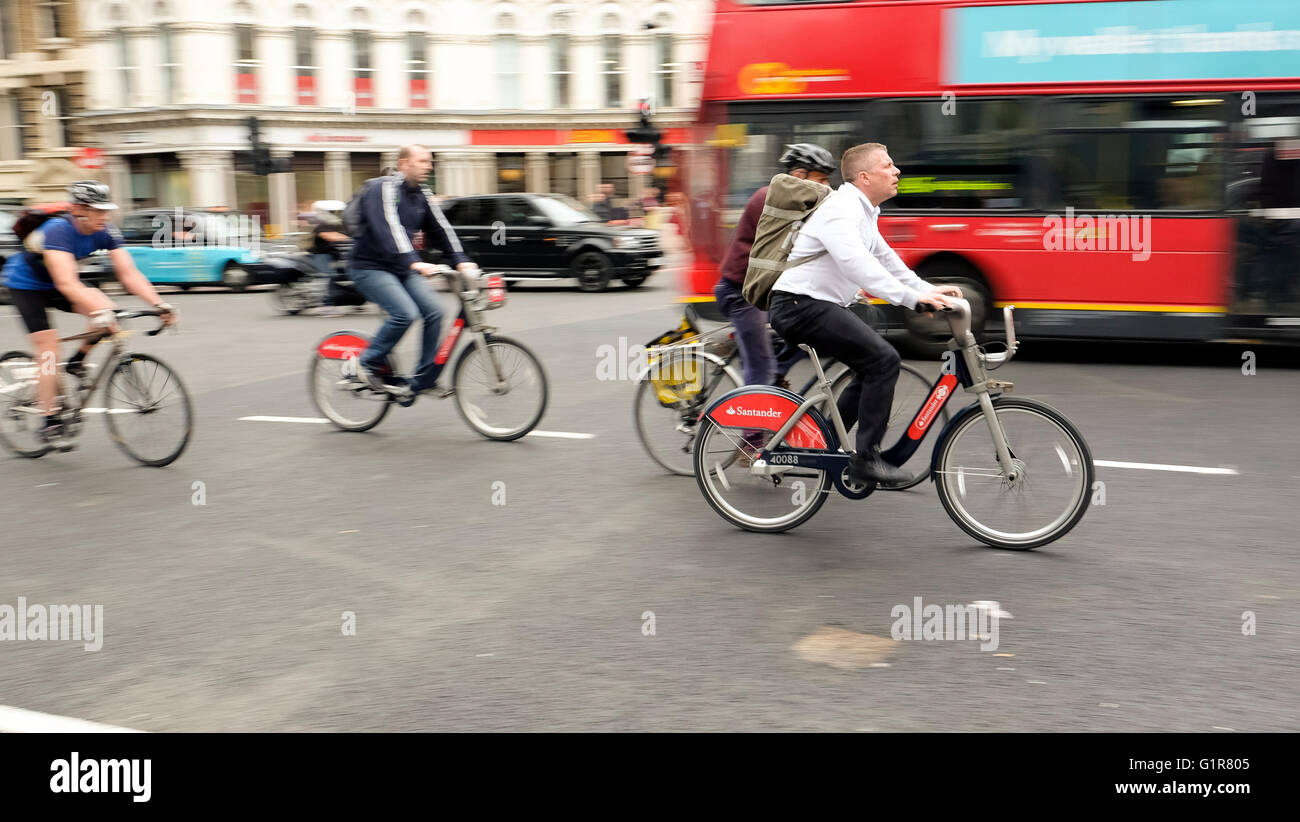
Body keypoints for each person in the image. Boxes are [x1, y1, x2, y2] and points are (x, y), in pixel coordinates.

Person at [767, 142, 963, 485]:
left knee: (871, 362)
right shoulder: (840, 209)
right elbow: (859, 267)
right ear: (864, 176)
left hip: (818, 304)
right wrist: (912, 300)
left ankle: (822, 438)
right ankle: (865, 459)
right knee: (882, 360)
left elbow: (887, 262)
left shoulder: (864, 211)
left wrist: (926, 290)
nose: (897, 171)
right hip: (799, 305)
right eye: (888, 165)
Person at [1, 181, 176, 445]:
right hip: (27, 285)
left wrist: (159, 304)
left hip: (59, 282)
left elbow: (128, 273)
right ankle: (49, 420)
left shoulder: (106, 230)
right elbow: (66, 284)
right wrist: (98, 311)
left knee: (110, 315)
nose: (105, 216)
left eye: (106, 210)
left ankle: (77, 361)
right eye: (98, 210)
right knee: (48, 350)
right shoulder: (59, 230)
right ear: (80, 210)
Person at [345, 144, 477, 403]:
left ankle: (424, 378)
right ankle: (364, 364)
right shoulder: (383, 188)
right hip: (369, 266)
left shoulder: (423, 194)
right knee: (405, 313)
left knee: (435, 311)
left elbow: (441, 229)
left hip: (401, 267)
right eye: (422, 161)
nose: (428, 166)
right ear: (404, 163)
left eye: (430, 161)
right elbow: (387, 226)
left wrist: (461, 261)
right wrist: (413, 261)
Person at [714, 143, 835, 389]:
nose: (827, 186)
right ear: (799, 176)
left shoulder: (803, 201)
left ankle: (774, 380)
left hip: (768, 290)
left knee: (813, 331)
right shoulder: (768, 199)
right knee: (761, 368)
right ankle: (753, 426)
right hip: (742, 293)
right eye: (821, 179)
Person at [305, 199, 350, 316]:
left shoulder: (340, 225)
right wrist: (349, 238)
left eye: (336, 211)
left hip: (335, 255)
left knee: (350, 274)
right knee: (330, 275)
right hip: (321, 255)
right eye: (332, 211)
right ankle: (326, 305)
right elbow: (330, 236)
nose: (335, 213)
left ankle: (356, 302)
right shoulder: (321, 226)